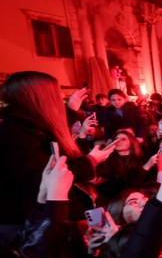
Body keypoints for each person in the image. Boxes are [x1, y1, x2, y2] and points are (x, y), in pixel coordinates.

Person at [0, 71, 112, 224]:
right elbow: (44, 178)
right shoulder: (17, 134)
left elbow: (56, 139)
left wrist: (71, 110)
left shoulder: (31, 125)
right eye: (56, 90)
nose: (60, 94)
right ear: (39, 96)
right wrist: (90, 161)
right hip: (40, 220)